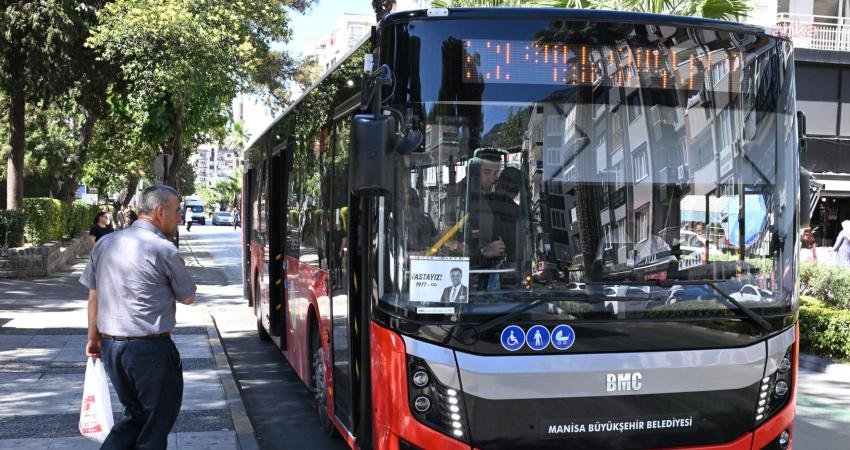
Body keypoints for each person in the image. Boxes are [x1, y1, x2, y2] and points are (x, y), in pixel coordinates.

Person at [81, 184, 197, 450]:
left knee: (136, 416)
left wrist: (93, 340)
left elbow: (93, 297)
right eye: (177, 210)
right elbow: (188, 296)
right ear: (160, 211)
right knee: (155, 426)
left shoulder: (105, 244)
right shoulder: (163, 249)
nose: (181, 216)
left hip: (112, 347)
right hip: (150, 349)